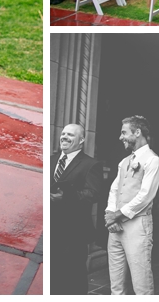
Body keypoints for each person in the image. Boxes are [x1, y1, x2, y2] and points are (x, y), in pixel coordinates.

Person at [106, 115, 159, 295]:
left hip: (138, 227)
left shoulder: (153, 161)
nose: (120, 137)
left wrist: (118, 214)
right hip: (115, 226)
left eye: (124, 133)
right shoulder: (124, 162)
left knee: (141, 282)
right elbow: (114, 189)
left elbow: (145, 196)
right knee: (116, 283)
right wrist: (110, 214)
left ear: (137, 133)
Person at [51, 123, 101, 294]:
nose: (64, 137)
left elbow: (91, 195)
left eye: (70, 135)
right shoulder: (51, 159)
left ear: (81, 140)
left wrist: (65, 198)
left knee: (73, 277)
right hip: (50, 230)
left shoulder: (90, 164)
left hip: (73, 232)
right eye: (63, 133)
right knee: (53, 276)